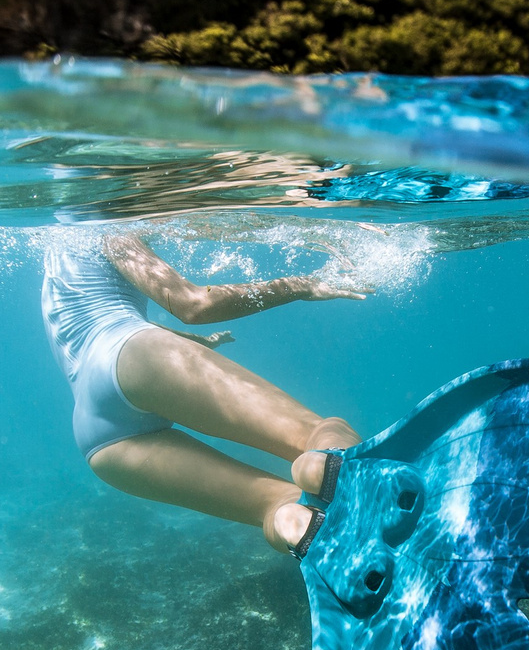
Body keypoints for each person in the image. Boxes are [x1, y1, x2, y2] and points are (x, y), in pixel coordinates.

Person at [42, 227, 366, 554]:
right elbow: (194, 305)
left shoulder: (60, 250)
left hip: (101, 440)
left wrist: (195, 344)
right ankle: (350, 475)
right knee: (318, 433)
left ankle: (297, 525)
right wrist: (299, 286)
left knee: (276, 507)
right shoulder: (108, 228)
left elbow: (94, 326)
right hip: (132, 356)